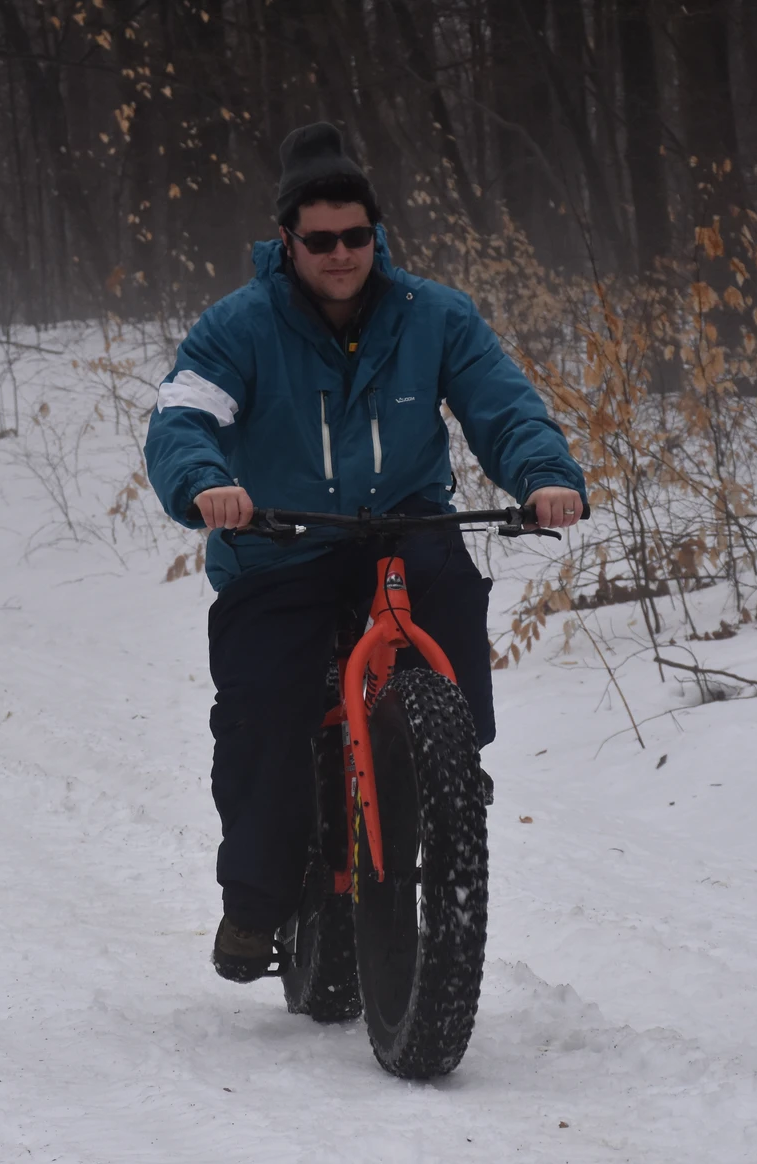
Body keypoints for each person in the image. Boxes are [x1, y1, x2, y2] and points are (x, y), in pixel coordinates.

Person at [145, 122, 586, 983]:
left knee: (450, 601)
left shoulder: (437, 315)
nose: (340, 253)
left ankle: (451, 778)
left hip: (401, 527)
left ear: (376, 234)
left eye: (356, 236)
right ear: (288, 241)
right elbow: (183, 417)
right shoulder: (236, 326)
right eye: (320, 240)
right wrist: (205, 483)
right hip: (279, 542)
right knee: (261, 712)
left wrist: (542, 474)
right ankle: (258, 900)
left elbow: (503, 406)